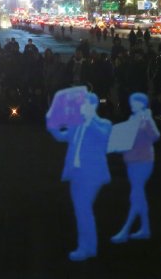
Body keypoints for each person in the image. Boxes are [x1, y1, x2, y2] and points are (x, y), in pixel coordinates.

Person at [48, 91, 113, 261]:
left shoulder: (104, 124)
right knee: (81, 210)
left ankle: (87, 247)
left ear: (92, 105)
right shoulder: (76, 124)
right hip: (76, 173)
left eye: (82, 104)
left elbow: (103, 137)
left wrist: (89, 119)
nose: (79, 107)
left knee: (83, 209)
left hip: (92, 174)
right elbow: (62, 136)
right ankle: (88, 246)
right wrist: (53, 126)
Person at [111, 92, 160, 243]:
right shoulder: (133, 118)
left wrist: (148, 121)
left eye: (135, 102)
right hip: (133, 160)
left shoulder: (145, 118)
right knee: (139, 196)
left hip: (143, 161)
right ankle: (145, 229)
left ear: (142, 103)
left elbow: (155, 136)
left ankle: (126, 230)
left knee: (136, 195)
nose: (132, 104)